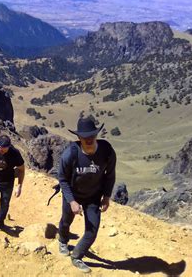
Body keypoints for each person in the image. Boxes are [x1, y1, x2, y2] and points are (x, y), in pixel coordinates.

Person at [57, 117, 116, 273]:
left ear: (97, 135)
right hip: (73, 195)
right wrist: (71, 201)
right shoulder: (70, 154)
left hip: (93, 196)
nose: (89, 139)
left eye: (92, 135)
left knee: (92, 231)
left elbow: (110, 175)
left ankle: (77, 256)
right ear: (79, 138)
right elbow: (62, 179)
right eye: (85, 137)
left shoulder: (107, 151)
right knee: (66, 221)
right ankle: (63, 240)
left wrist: (107, 196)